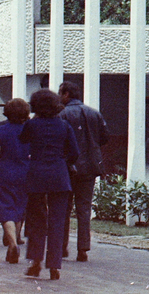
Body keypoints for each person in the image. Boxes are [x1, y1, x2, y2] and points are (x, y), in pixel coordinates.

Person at [18, 88, 78, 280]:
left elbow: (23, 141)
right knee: (57, 221)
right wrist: (63, 159)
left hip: (37, 175)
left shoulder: (31, 125)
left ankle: (35, 262)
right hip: (59, 175)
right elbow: (75, 152)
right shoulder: (64, 126)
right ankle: (54, 266)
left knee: (36, 220)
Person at [56, 81, 108, 262]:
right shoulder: (94, 113)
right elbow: (104, 137)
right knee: (84, 209)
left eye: (60, 93)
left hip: (68, 167)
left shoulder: (62, 115)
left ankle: (62, 247)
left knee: (64, 208)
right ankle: (83, 248)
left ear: (66, 94)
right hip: (90, 167)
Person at [0, 98, 31, 265]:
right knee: (19, 208)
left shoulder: (1, 131)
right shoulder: (30, 131)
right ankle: (16, 239)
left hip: (4, 173)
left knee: (5, 207)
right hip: (25, 173)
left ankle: (12, 244)